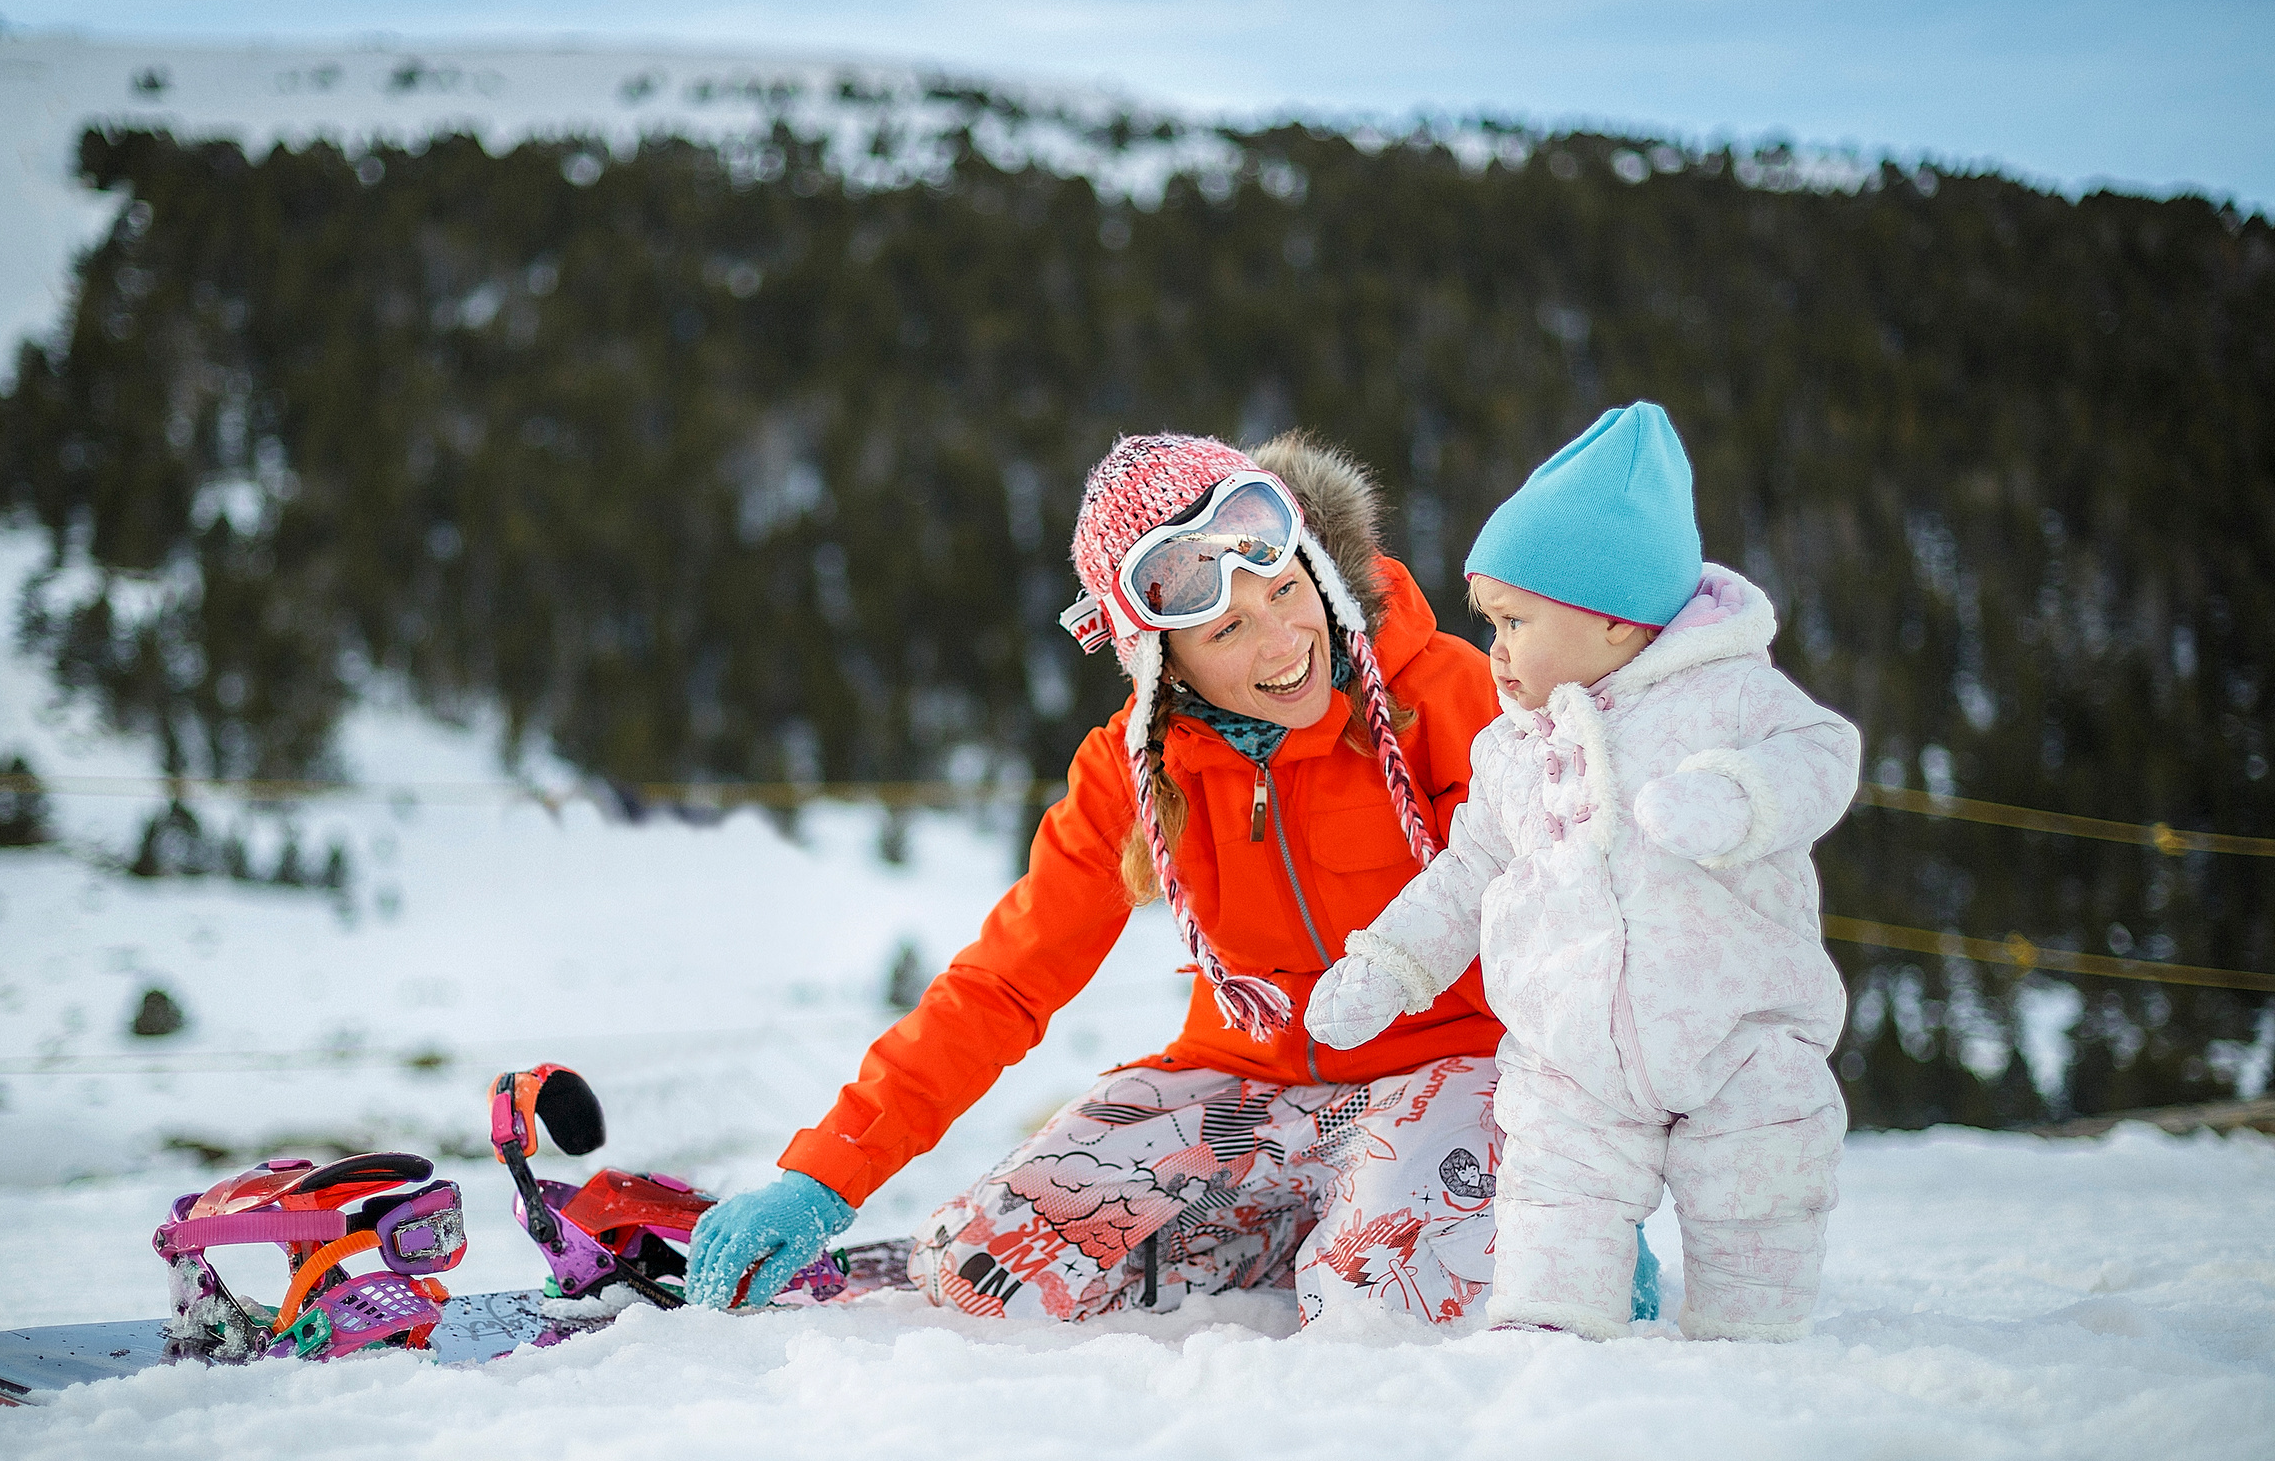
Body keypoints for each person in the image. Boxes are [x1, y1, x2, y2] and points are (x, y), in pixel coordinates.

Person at [687, 430, 1516, 1324]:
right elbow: (1004, 982)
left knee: (1385, 1306)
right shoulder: (1135, 771)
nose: (1284, 642)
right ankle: (1295, 1226)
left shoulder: (1449, 696)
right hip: (1248, 1091)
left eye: (1285, 590)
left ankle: (1372, 1234)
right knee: (982, 1272)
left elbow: (1580, 905)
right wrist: (823, 1176)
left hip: (1454, 1072)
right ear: (1164, 661)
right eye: (1227, 629)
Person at [1306, 402, 1859, 1342]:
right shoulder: (1513, 749)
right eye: (1491, 622)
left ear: (1613, 620)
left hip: (1739, 1035)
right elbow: (1467, 871)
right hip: (1571, 1052)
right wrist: (1388, 965)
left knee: (1760, 1189)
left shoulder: (1729, 695)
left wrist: (1735, 798)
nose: (1496, 650)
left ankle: (1751, 1342)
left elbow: (1824, 753)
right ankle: (1552, 1342)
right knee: (1553, 1192)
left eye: (1515, 620)